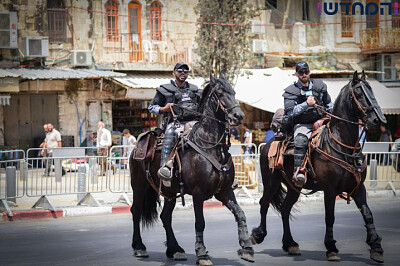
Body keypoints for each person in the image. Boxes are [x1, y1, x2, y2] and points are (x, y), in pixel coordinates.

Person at [283, 61, 333, 187]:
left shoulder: (320, 86)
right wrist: (306, 104)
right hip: (303, 124)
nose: (304, 74)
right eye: (301, 72)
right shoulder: (291, 91)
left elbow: (329, 103)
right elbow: (290, 112)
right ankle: (299, 172)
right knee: (300, 139)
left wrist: (331, 112)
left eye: (306, 72)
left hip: (322, 122)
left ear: (309, 72)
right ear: (296, 74)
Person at [148, 62, 200, 182]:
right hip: (174, 124)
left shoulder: (194, 89)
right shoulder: (164, 89)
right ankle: (165, 167)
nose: (183, 73)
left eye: (185, 71)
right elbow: (151, 107)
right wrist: (163, 109)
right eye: (180, 70)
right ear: (174, 73)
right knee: (171, 132)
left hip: (193, 123)